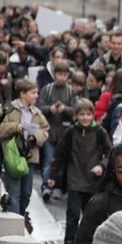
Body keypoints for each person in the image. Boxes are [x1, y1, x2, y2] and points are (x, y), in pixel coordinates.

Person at [50, 99, 112, 244]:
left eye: (88, 114)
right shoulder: (71, 132)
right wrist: (51, 175)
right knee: (72, 217)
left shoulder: (99, 131)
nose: (85, 118)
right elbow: (60, 154)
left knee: (90, 218)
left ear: (92, 115)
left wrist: (102, 166)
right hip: (75, 179)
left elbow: (110, 153)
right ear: (76, 115)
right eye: (82, 114)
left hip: (93, 181)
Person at [0, 79, 50, 224]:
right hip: (12, 155)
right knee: (14, 193)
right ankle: (15, 224)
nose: (36, 96)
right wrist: (16, 127)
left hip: (29, 156)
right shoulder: (9, 108)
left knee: (26, 193)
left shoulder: (37, 112)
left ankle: (20, 217)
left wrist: (35, 137)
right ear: (22, 94)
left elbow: (45, 129)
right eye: (33, 93)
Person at [37, 60, 77, 201]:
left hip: (65, 133)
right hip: (50, 131)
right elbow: (39, 107)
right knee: (49, 160)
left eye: (64, 75)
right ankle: (46, 186)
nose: (62, 77)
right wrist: (50, 109)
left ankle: (58, 186)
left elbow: (76, 110)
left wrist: (65, 109)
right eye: (59, 74)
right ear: (54, 74)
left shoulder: (71, 92)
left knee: (61, 161)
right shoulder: (47, 90)